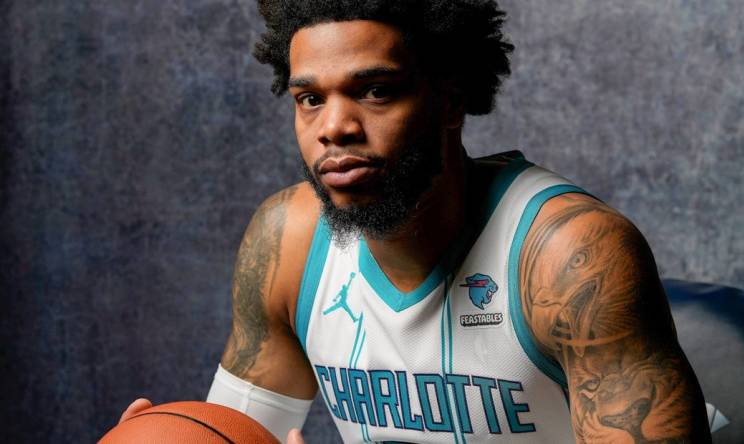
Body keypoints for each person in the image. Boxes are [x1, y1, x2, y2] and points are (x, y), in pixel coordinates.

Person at [122, 1, 713, 442]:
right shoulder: (289, 243)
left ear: (450, 101)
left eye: (376, 91)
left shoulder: (567, 256)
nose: (335, 128)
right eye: (310, 100)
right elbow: (237, 432)